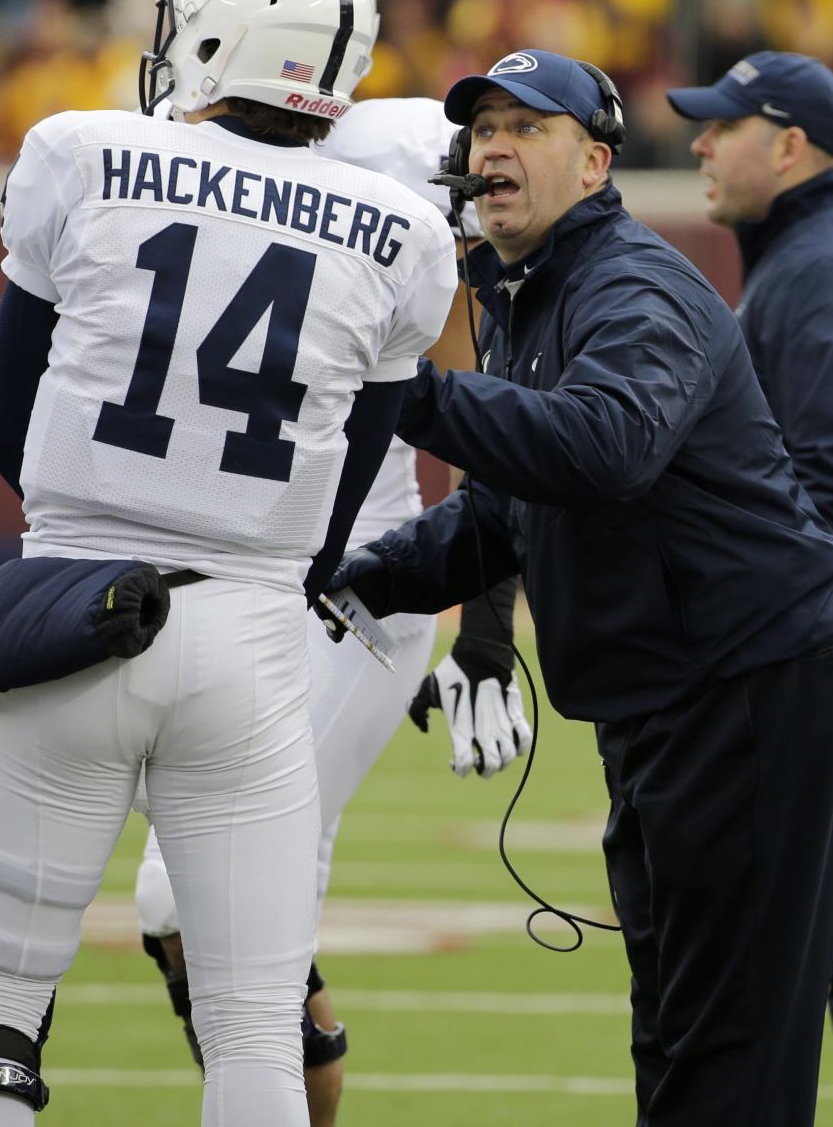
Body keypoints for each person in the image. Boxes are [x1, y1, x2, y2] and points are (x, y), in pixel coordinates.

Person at [0, 0, 459, 1127]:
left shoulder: (81, 153)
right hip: (258, 645)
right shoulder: (403, 235)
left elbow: (9, 430)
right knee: (255, 1029)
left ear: (218, 27)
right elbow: (349, 486)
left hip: (74, 616)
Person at [322, 48, 833, 1126]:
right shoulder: (529, 289)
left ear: (596, 161)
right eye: (483, 131)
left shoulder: (631, 281)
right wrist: (353, 581)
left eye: (528, 127)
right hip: (666, 691)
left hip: (738, 685)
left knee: (729, 1036)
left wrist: (404, 391)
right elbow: (505, 507)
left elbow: (605, 446)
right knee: (673, 1023)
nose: (496, 148)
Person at [134, 91, 532, 1127]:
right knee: (205, 920)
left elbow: (479, 425)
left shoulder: (392, 160)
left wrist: (481, 631)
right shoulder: (174, 164)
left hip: (358, 587)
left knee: (189, 895)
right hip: (238, 574)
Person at [667, 50, 833, 1122]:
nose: (699, 143)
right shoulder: (826, 250)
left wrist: (765, 641)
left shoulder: (817, 268)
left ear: (788, 144)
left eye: (723, 125)